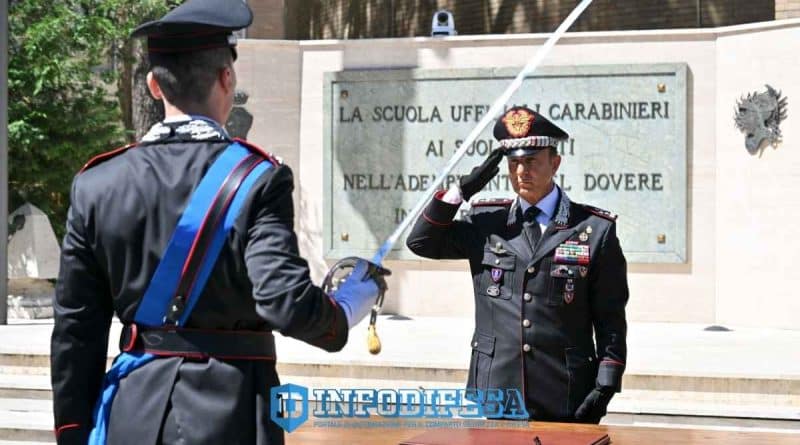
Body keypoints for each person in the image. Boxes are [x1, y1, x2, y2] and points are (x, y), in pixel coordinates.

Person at [49, 1, 382, 444]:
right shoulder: (259, 178)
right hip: (232, 412)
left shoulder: (96, 183)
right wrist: (346, 307)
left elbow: (75, 327)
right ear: (227, 79)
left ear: (153, 86)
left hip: (131, 414)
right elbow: (283, 300)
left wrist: (73, 431)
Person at [406, 106, 628, 423]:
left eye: (532, 161)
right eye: (514, 163)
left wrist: (607, 383)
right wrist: (460, 191)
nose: (522, 171)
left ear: (555, 163)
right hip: (499, 387)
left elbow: (610, 318)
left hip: (565, 389)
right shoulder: (486, 223)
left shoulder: (593, 229)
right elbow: (421, 242)